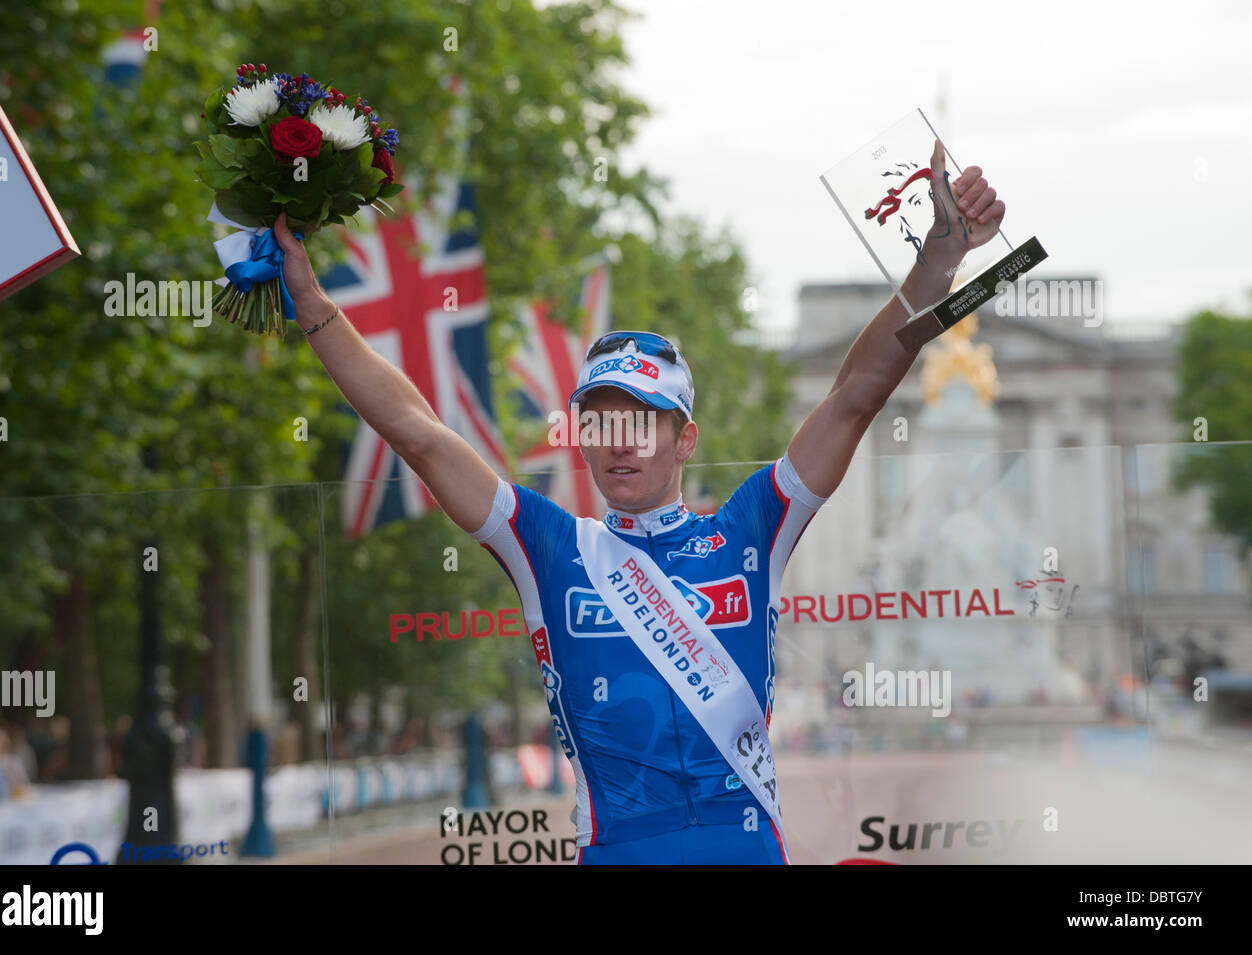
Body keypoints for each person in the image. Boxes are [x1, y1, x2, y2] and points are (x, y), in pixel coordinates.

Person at [272, 146, 1004, 863]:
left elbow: (855, 396)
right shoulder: (549, 546)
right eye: (600, 422)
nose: (619, 442)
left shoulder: (749, 528)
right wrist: (313, 304)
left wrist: (935, 264)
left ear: (685, 439)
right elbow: (419, 434)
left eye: (641, 421)